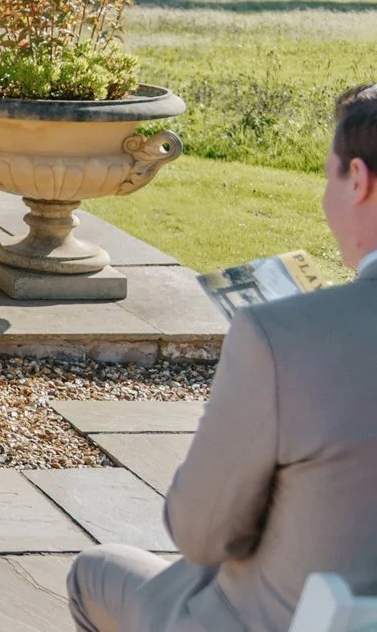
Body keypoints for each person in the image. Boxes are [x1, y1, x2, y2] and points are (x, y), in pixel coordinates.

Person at [66, 84, 377, 632]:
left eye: (327, 175)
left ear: (358, 179)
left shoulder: (281, 338)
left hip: (266, 619)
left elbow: (200, 534)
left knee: (95, 572)